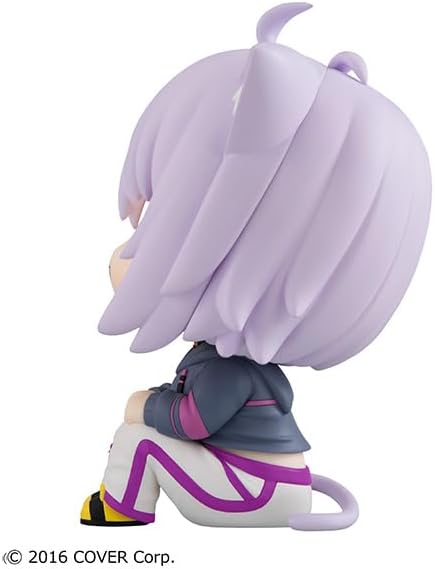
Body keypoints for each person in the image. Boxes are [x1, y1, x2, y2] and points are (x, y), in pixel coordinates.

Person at [80, 3, 431, 530]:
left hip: (251, 491)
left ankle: (120, 508)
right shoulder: (231, 363)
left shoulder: (227, 369)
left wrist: (144, 406)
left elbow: (193, 423)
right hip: (263, 483)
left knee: (138, 438)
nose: (126, 256)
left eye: (163, 229)